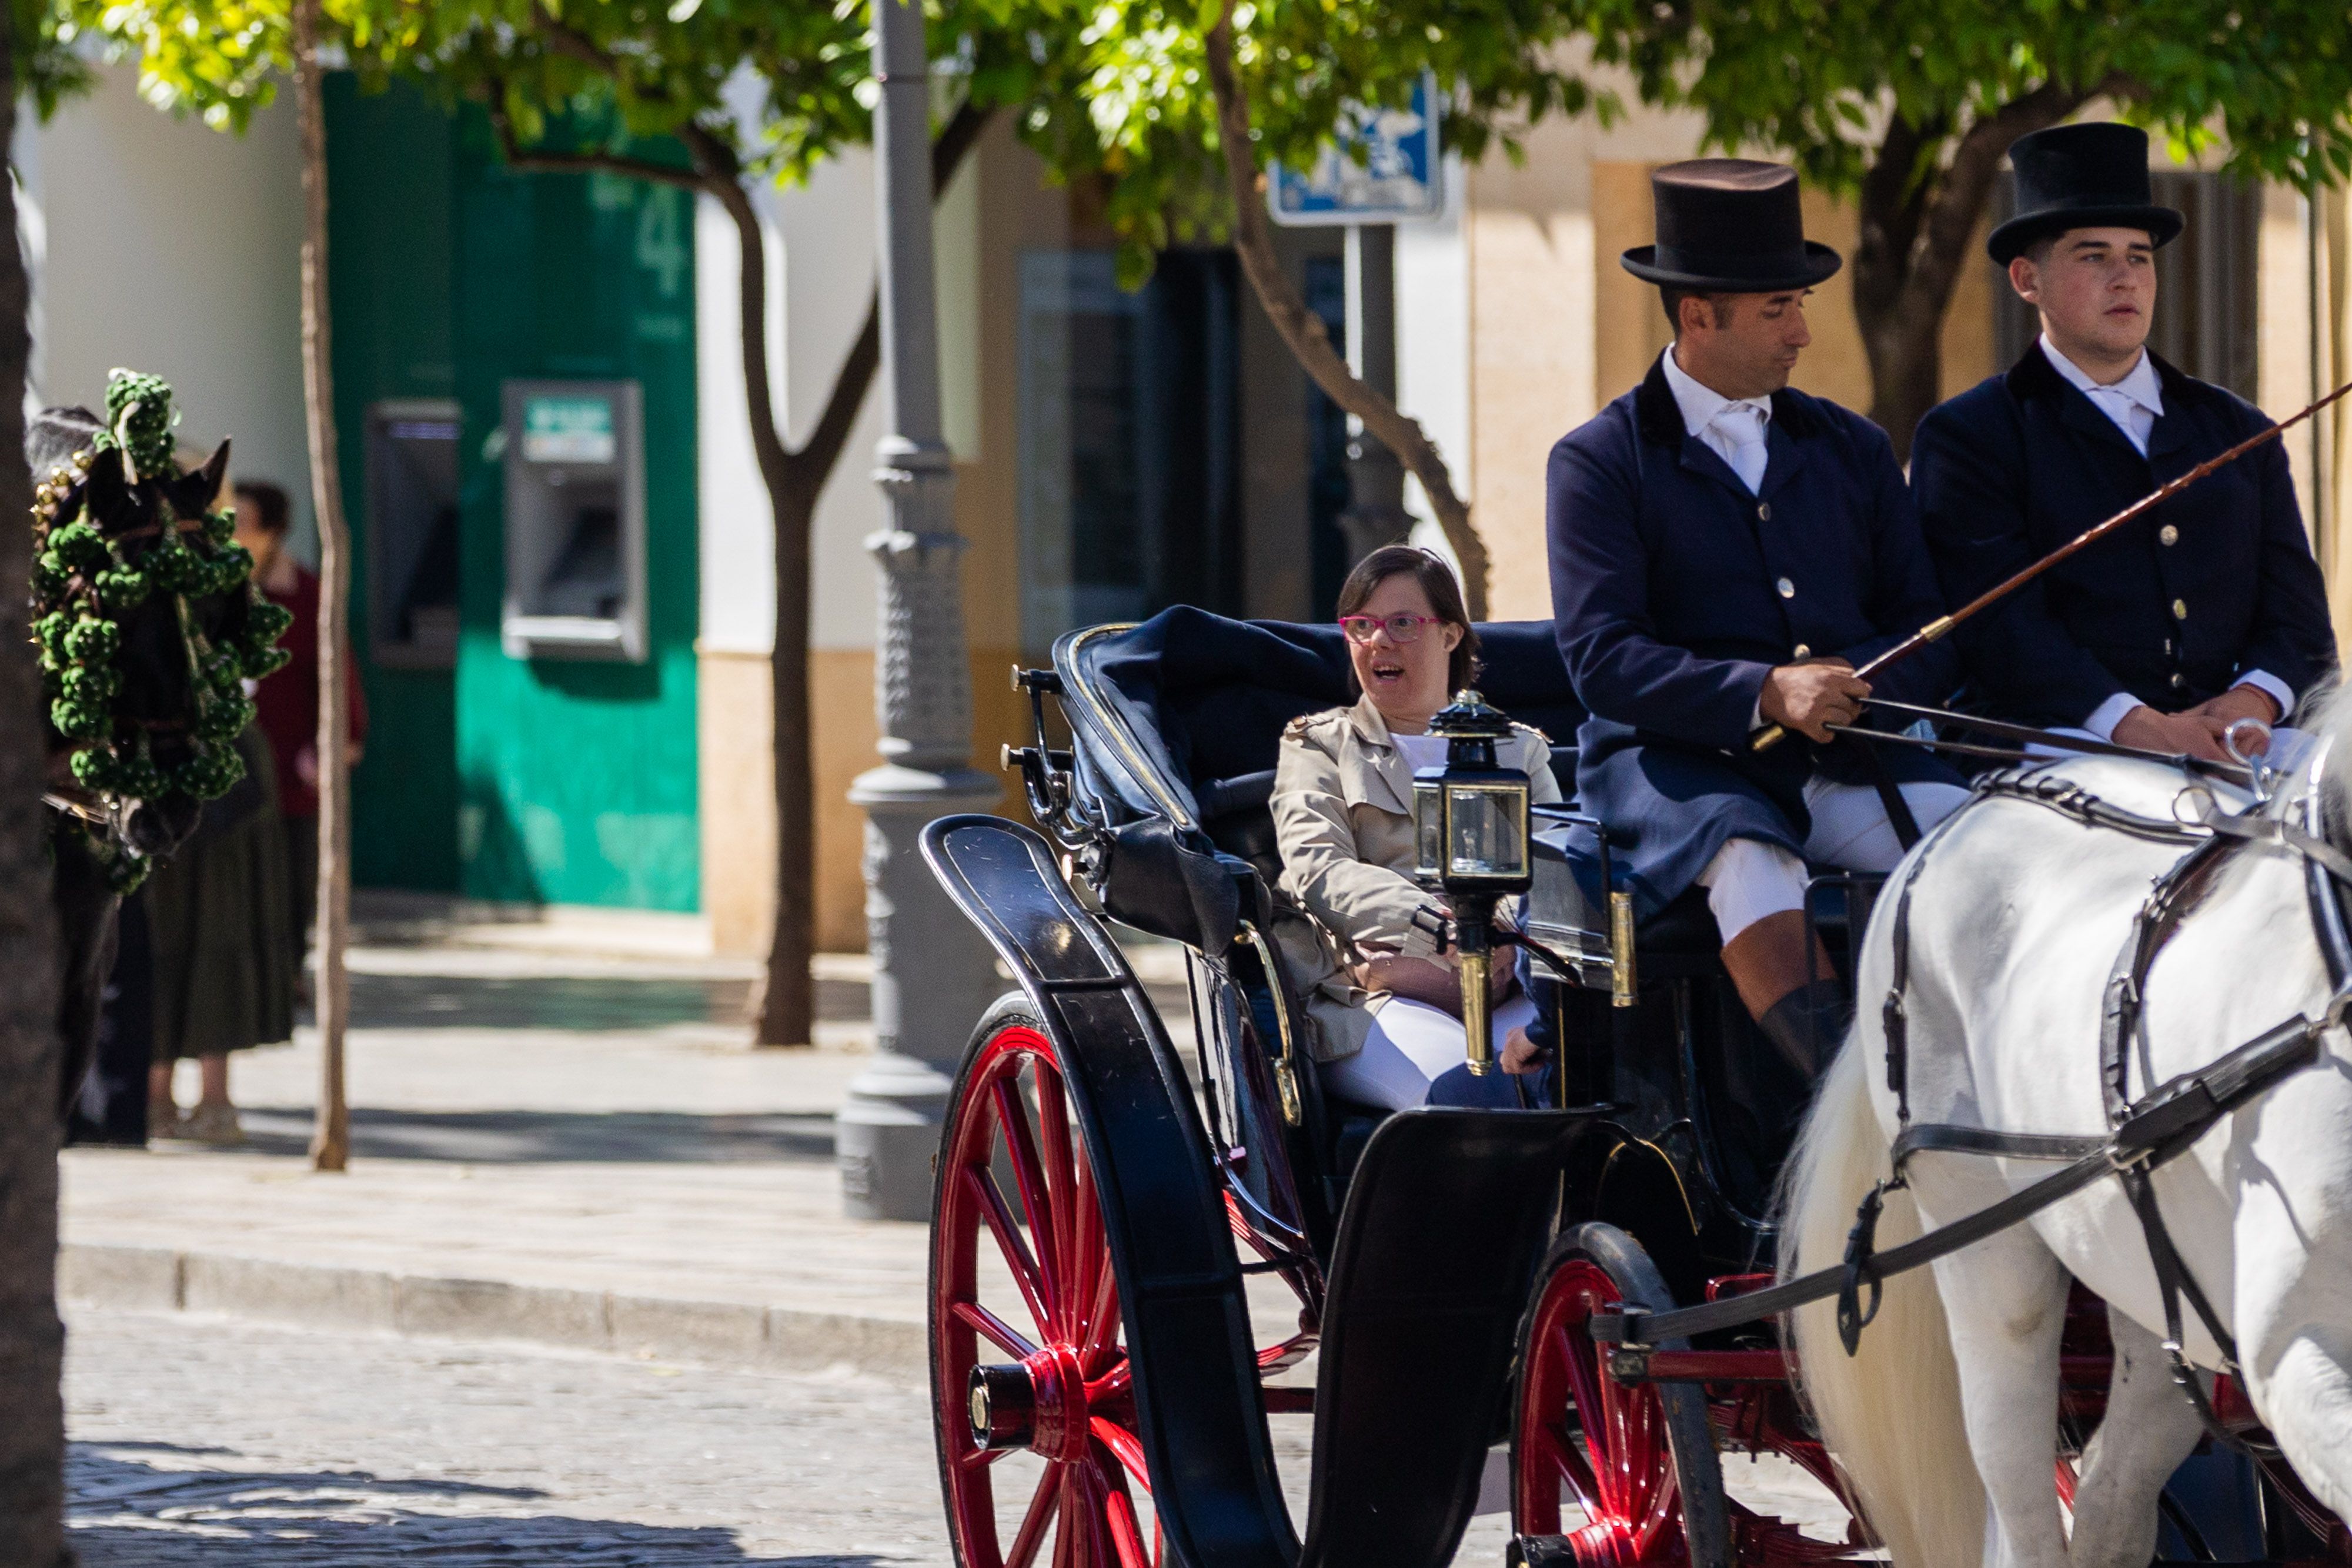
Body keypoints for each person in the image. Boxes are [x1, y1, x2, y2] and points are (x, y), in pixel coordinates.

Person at [1545, 159, 1967, 1074]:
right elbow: (1603, 658)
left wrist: (1857, 685)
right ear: (1701, 314)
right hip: (1677, 770)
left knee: (1972, 837)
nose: (1804, 332)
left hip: (1850, 756)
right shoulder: (1598, 461)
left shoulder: (1853, 447)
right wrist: (1768, 691)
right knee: (1750, 858)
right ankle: (1850, 1105)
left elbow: (1924, 625)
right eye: (1780, 308)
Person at [1911, 123, 2334, 766]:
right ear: (2027, 279)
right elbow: (2000, 633)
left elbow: (2300, 624)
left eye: (2138, 256)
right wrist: (2136, 725)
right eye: (2093, 256)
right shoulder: (1971, 436)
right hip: (2060, 740)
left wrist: (2251, 701)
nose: (2124, 278)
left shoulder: (2238, 429)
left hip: (2242, 738)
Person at [1271, 546, 1563, 1109]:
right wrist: (1439, 926)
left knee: (1610, 1075)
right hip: (1374, 1000)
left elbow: (1554, 864)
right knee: (1474, 1101)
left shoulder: (1516, 750)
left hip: (1513, 983)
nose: (1379, 641)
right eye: (1362, 625)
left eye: (1403, 623)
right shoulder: (1318, 746)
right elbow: (1319, 869)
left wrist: (1500, 931)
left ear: (1451, 635)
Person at [237, 479, 366, 999]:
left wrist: (335, 746)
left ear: (272, 532)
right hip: (232, 769)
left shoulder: (308, 594)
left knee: (293, 884)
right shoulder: (221, 593)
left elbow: (339, 679)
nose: (234, 534)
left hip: (291, 770)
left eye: (243, 524)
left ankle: (287, 975)